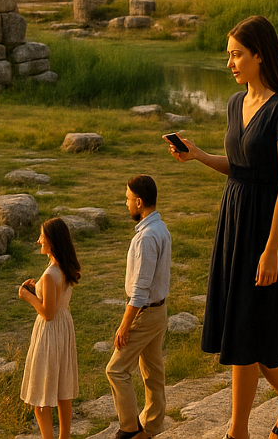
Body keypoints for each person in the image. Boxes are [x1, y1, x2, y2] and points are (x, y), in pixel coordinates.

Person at [171, 15, 278, 439]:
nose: (229, 62)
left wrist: (271, 250)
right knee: (243, 329)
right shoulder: (235, 104)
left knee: (253, 328)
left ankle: (237, 431)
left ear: (259, 55)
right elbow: (239, 167)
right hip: (234, 222)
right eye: (228, 55)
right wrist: (198, 155)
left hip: (265, 229)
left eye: (236, 54)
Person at [106, 174, 172, 439]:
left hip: (145, 314)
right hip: (160, 311)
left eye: (128, 199)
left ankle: (130, 428)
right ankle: (152, 427)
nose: (126, 204)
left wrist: (125, 325)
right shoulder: (161, 228)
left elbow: (140, 289)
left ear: (140, 202)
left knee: (116, 369)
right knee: (153, 372)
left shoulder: (146, 237)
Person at [20, 217, 82, 439]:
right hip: (64, 328)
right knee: (62, 391)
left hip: (50, 332)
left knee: (40, 396)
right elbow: (56, 300)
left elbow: (47, 313)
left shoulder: (48, 275)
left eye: (42, 237)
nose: (38, 241)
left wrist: (27, 295)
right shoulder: (63, 268)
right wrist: (38, 289)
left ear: (52, 242)